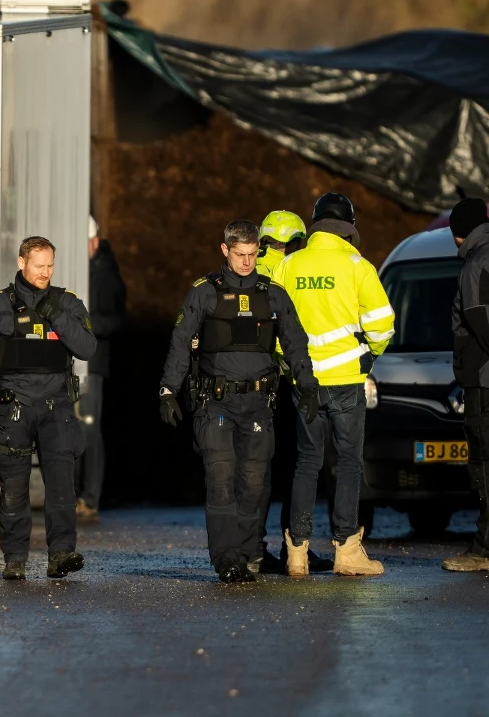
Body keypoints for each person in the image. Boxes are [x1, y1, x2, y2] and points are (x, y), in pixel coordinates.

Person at [159, 220, 319, 583]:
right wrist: (168, 390)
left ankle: (248, 554)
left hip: (259, 403)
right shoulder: (205, 291)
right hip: (216, 402)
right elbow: (181, 341)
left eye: (252, 255)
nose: (247, 262)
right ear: (225, 251)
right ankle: (226, 557)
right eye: (240, 255)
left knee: (255, 482)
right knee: (220, 479)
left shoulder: (273, 293)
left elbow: (295, 342)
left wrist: (307, 386)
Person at [0, 236, 98, 580]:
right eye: (39, 266)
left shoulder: (68, 303)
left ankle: (61, 553)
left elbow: (88, 347)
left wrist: (56, 316)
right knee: (14, 486)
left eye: (50, 266)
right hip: (12, 406)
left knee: (61, 484)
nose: (45, 272)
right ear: (22, 263)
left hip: (56, 405)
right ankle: (15, 558)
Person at [275, 193, 394, 576]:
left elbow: (273, 322)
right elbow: (382, 324)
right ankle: (346, 551)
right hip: (346, 379)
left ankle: (297, 553)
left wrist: (288, 361)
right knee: (347, 464)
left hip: (304, 381)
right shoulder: (358, 266)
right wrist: (368, 355)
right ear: (349, 227)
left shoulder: (291, 265)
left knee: (306, 463)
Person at [253, 211, 334, 574]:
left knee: (257, 470)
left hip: (254, 387)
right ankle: (293, 547)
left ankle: (254, 549)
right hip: (290, 381)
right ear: (295, 240)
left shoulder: (248, 270)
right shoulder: (293, 272)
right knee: (299, 465)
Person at [444, 199, 489, 572]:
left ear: (458, 234)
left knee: (488, 464)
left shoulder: (476, 264)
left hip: (487, 382)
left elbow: (485, 326)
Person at [76, 217, 126, 521]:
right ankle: (70, 495)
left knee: (89, 431)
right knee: (68, 431)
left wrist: (85, 324)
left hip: (92, 363)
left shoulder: (108, 276)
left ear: (95, 241)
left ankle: (90, 497)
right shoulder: (72, 269)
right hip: (68, 360)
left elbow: (118, 320)